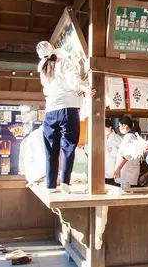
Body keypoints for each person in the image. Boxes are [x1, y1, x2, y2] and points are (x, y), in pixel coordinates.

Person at [36, 41, 95, 194]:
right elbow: (74, 80)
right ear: (53, 48)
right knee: (68, 147)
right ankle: (64, 183)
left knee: (51, 149)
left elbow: (47, 90)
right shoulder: (64, 62)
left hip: (50, 112)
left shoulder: (43, 68)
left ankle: (50, 185)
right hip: (68, 109)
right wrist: (85, 88)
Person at [114, 116, 141, 187]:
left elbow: (127, 156)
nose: (119, 128)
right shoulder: (131, 136)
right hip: (129, 172)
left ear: (125, 125)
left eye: (120, 126)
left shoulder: (129, 137)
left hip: (128, 173)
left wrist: (118, 168)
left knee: (126, 194)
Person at [105, 119, 122, 187]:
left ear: (110, 127)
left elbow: (121, 154)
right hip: (102, 169)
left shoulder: (118, 138)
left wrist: (113, 151)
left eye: (105, 129)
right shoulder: (101, 137)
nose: (104, 131)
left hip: (113, 168)